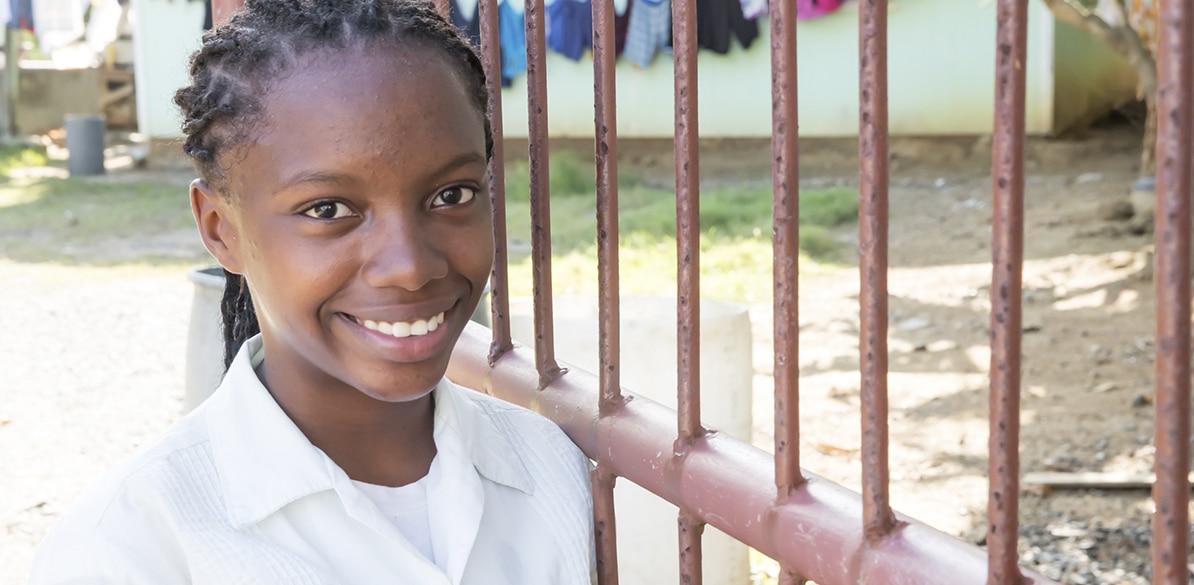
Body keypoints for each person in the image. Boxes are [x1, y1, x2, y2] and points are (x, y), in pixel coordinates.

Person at [29, 0, 595, 582]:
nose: (409, 267)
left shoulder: (553, 469)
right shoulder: (130, 546)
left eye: (451, 195)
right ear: (221, 230)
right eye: (328, 209)